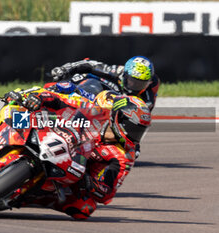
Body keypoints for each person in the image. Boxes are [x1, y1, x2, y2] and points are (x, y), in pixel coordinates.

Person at [20, 90, 151, 219]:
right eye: (134, 129)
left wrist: (91, 184)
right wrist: (39, 98)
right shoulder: (97, 110)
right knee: (21, 109)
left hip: (72, 172)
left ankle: (30, 199)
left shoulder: (125, 156)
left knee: (85, 207)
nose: (135, 135)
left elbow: (107, 193)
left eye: (140, 131)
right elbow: (59, 98)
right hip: (51, 132)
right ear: (119, 118)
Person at [50, 56, 160, 111]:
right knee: (91, 82)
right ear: (124, 75)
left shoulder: (147, 98)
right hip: (94, 94)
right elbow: (90, 64)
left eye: (139, 84)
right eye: (132, 82)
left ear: (148, 83)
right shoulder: (117, 71)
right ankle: (56, 92)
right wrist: (66, 69)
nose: (134, 87)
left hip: (108, 113)